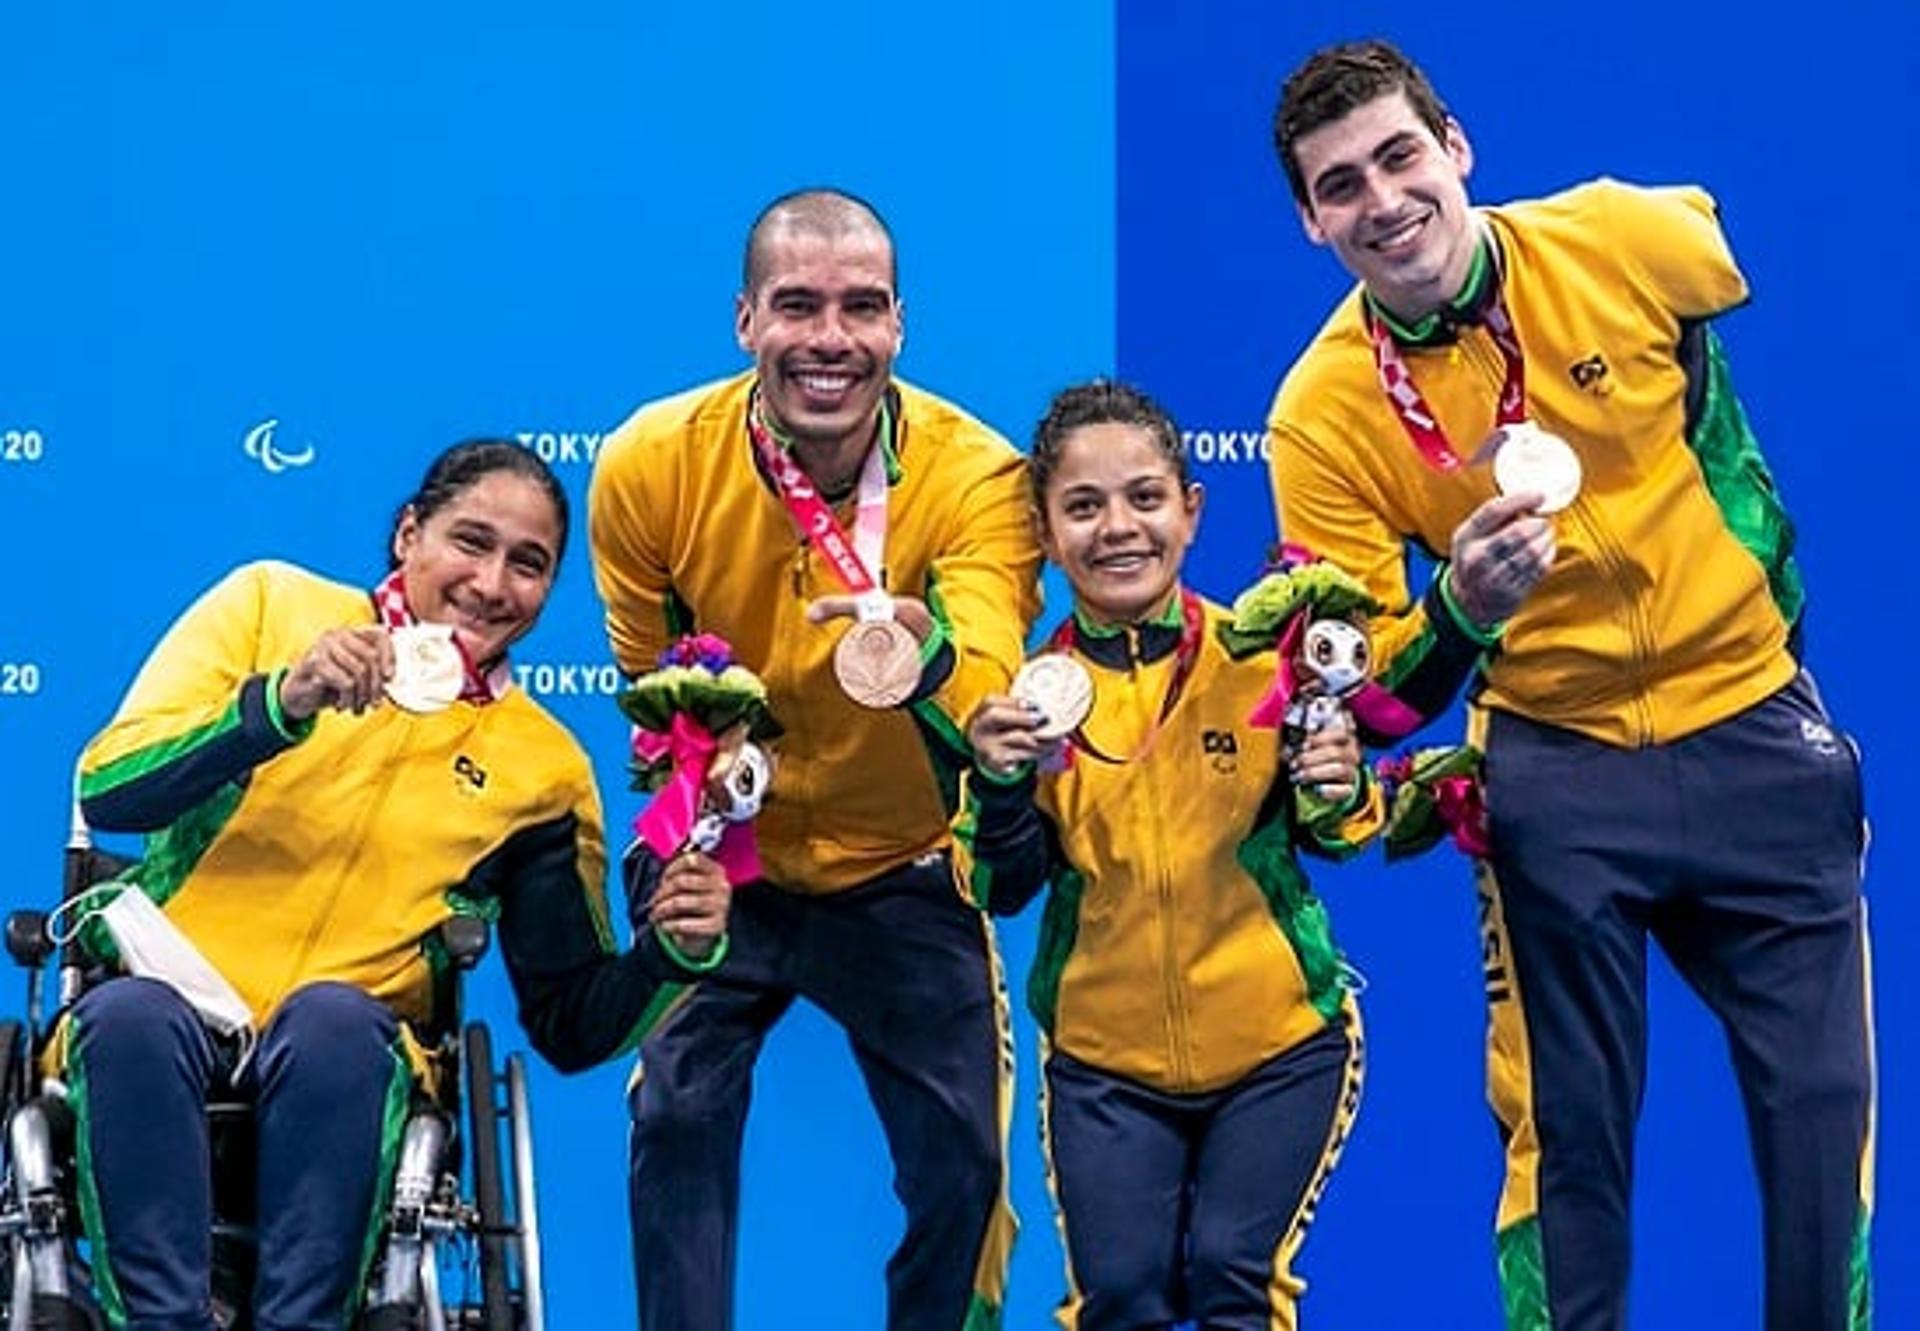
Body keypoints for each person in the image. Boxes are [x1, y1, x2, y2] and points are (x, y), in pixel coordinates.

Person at [1266, 40, 1873, 1331]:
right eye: (1338, 187)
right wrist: (1460, 609)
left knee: (1822, 1132)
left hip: (1756, 730)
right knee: (1569, 1141)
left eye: (1398, 155)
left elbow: (1714, 251)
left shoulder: (1620, 238)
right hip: (1553, 768)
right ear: (1311, 223)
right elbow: (1370, 694)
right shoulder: (1320, 414)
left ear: (1457, 146)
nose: (1381, 201)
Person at [64, 439, 728, 1330]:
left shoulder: (546, 768)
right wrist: (280, 703)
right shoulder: (271, 605)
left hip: (350, 1051)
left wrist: (675, 955)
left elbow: (571, 1018)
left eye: (528, 565)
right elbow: (114, 789)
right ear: (409, 534)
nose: (493, 584)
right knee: (128, 1016)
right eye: (470, 542)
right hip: (173, 997)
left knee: (333, 1020)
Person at [587, 188, 1041, 1331]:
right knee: (676, 1117)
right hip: (720, 848)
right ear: (746, 320)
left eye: (862, 308)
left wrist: (922, 647)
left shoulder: (979, 477)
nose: (830, 339)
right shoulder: (649, 463)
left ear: (900, 325)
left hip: (900, 860)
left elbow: (990, 676)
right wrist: (700, 792)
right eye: (798, 305)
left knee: (964, 1170)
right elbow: (651, 690)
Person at [958, 379, 1381, 1330]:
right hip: (1106, 1068)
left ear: (1190, 510)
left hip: (1281, 1044)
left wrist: (1338, 778)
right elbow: (999, 886)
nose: (1119, 528)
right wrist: (996, 784)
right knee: (1120, 1301)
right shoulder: (1026, 696)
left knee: (1237, 1274)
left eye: (1145, 497)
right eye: (1083, 505)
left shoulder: (1264, 659)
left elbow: (1345, 831)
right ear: (1043, 528)